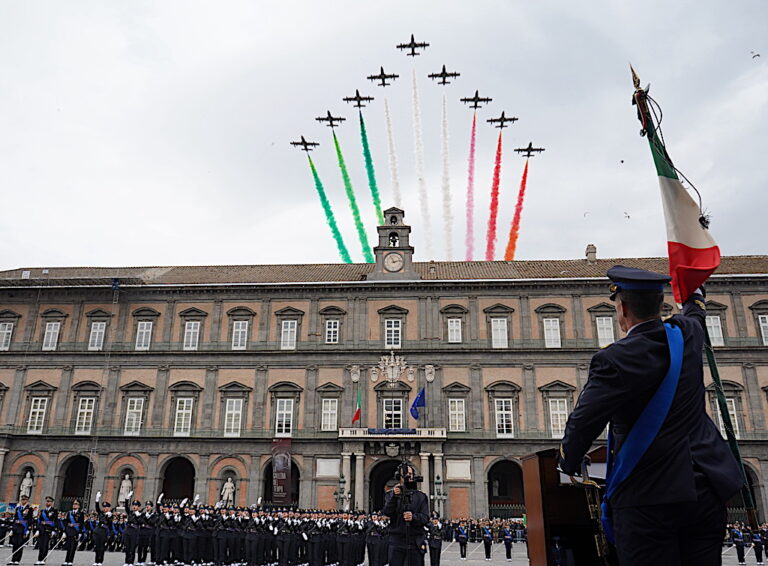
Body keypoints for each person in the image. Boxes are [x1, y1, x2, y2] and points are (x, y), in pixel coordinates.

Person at [559, 265, 744, 566]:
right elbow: (696, 309)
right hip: (707, 490)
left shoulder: (613, 359)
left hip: (649, 496)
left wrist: (567, 460)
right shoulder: (687, 334)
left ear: (622, 309)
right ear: (660, 305)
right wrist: (693, 287)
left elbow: (583, 422)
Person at [381, 462, 429, 566]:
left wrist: (414, 517)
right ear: (399, 476)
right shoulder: (391, 495)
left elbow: (425, 518)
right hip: (397, 540)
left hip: (415, 541)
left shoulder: (421, 496)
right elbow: (387, 512)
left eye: (411, 474)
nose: (409, 476)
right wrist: (394, 497)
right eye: (406, 474)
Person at [9, 494, 34, 565]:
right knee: (14, 544)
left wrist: (28, 529)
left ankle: (17, 560)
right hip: (16, 528)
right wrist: (12, 528)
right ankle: (13, 559)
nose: (23, 501)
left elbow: (30, 519)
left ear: (27, 500)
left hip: (23, 528)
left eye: (25, 499)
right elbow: (15, 519)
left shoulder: (30, 509)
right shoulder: (18, 508)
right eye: (22, 499)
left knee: (20, 544)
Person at [36, 496, 58, 565]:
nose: (47, 503)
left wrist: (54, 530)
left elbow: (55, 521)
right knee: (41, 545)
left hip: (48, 530)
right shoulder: (43, 511)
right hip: (42, 530)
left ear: (51, 503)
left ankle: (43, 559)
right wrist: (38, 529)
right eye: (47, 501)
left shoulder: (54, 511)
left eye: (49, 501)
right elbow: (39, 521)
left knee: (45, 545)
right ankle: (39, 559)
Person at [63, 499, 85, 566]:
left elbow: (81, 523)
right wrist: (64, 531)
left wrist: (80, 532)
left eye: (76, 504)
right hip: (69, 530)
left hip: (76, 531)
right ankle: (66, 560)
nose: (74, 505)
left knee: (73, 547)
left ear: (79, 506)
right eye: (74, 504)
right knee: (68, 546)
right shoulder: (69, 513)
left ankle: (70, 561)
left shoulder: (81, 514)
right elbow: (66, 522)